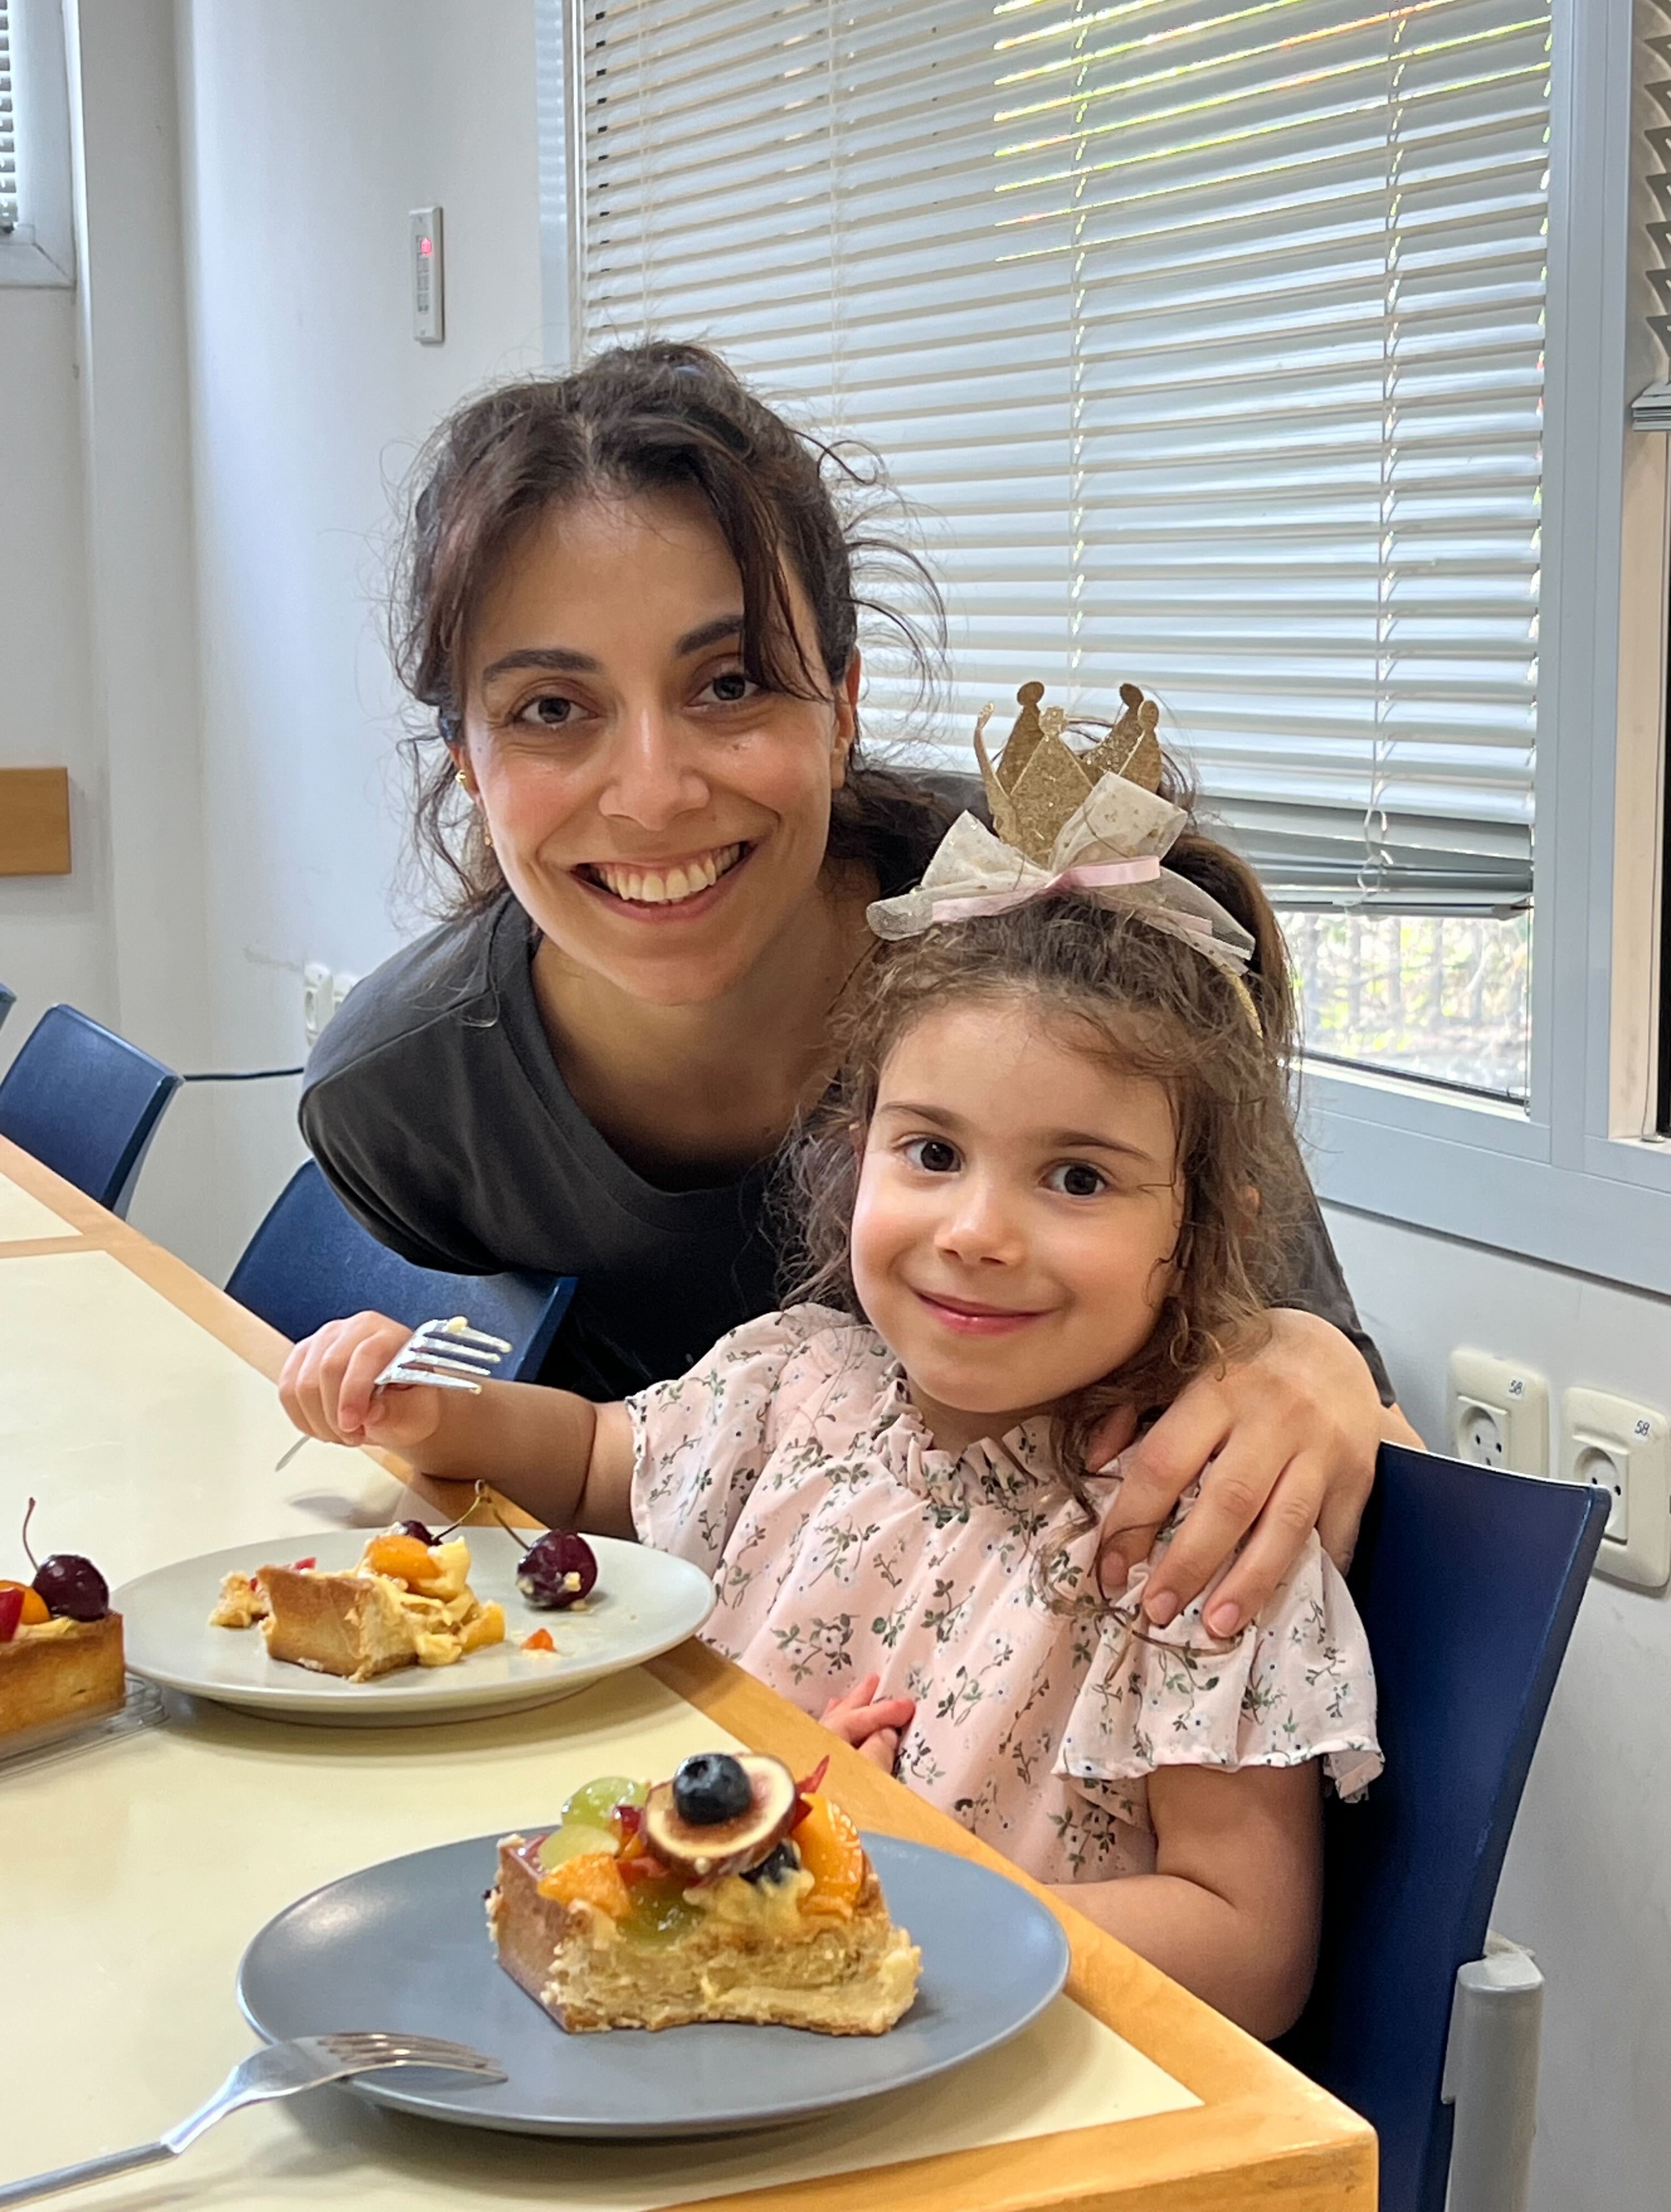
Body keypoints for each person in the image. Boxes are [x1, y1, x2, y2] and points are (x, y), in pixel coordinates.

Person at [301, 339, 1416, 1650]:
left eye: (729, 685)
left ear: (842, 707)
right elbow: (577, 1457)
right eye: (551, 707)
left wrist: (1310, 1361)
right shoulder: (405, 1102)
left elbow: (1344, 1418)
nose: (652, 794)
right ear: (468, 762)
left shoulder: (1065, 939)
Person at [280, 748, 1382, 2039]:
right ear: (853, 1158)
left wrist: (899, 1888)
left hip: (992, 2082)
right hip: (712, 2023)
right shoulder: (795, 1382)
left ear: (1205, 1231)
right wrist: (436, 1417)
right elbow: (586, 1462)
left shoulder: (1198, 1536)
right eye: (933, 1152)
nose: (976, 1231)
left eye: (1077, 1179)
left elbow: (1249, 1951)